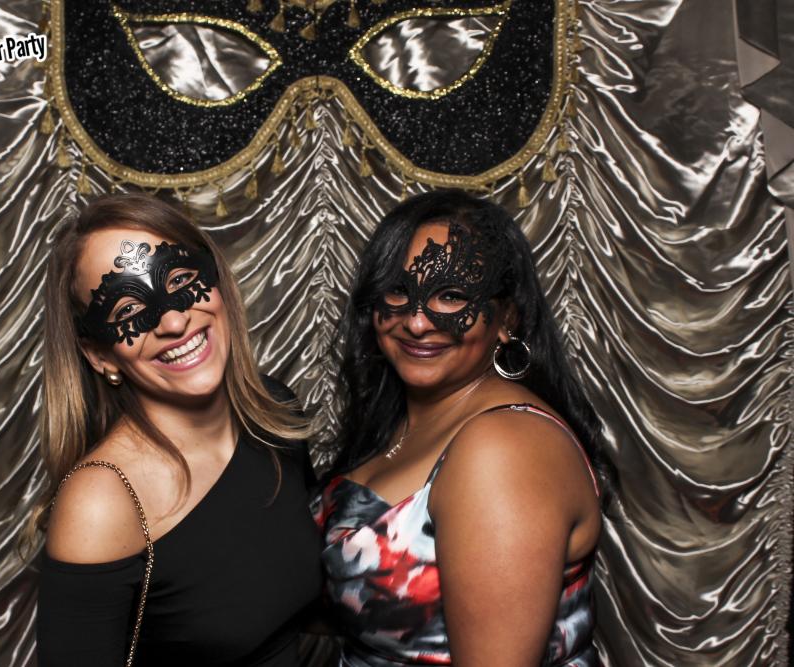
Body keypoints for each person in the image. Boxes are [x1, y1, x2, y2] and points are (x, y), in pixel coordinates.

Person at [314, 190, 608, 666]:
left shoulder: (504, 448)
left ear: (507, 318)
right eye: (398, 291)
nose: (416, 322)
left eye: (450, 296)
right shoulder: (402, 422)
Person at [31, 194, 321, 666]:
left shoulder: (273, 411)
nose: (173, 320)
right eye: (129, 310)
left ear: (216, 282)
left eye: (181, 281)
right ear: (100, 355)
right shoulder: (101, 502)